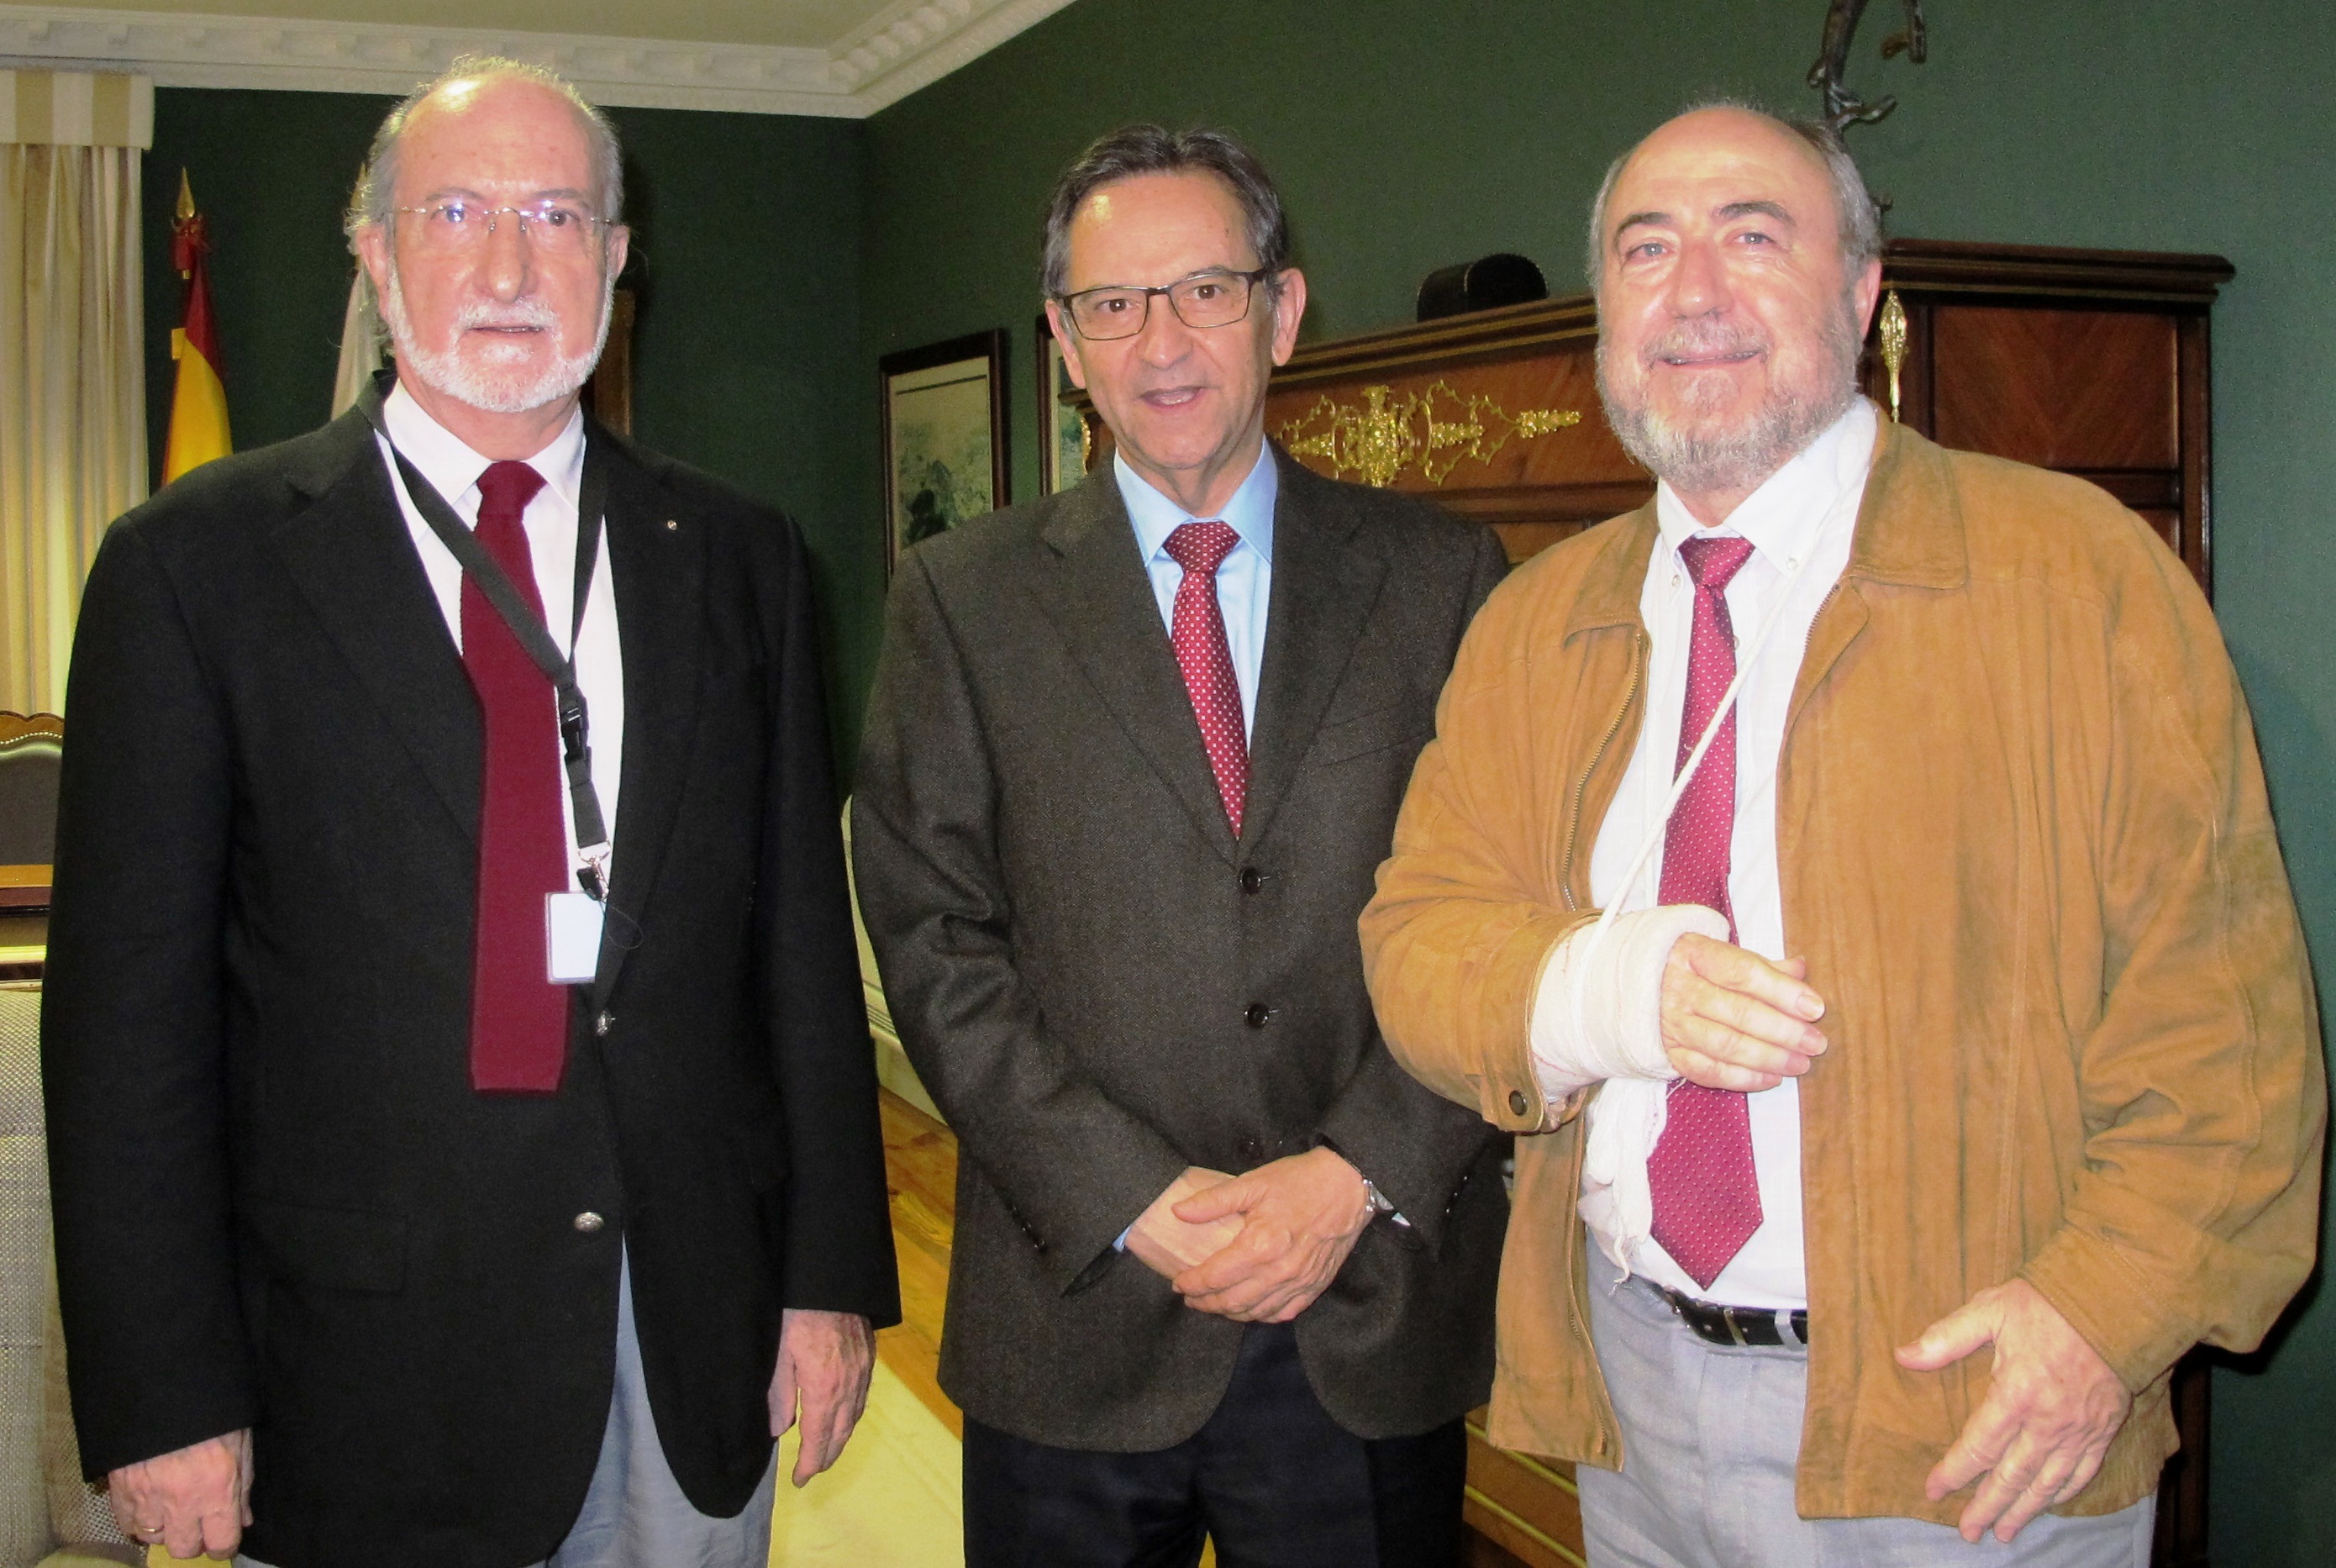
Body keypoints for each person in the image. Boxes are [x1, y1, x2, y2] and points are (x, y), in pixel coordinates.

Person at [1359, 103, 2324, 1566]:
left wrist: (2101, 1317)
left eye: (1753, 235)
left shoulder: (2080, 579)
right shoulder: (1533, 624)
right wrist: (1610, 990)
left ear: (1865, 293)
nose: (1694, 290)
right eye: (1646, 250)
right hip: (1629, 1400)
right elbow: (1418, 940)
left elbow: (2232, 1048)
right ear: (1607, 317)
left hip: (1969, 1431)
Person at [43, 56, 897, 1568]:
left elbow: (800, 959)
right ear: (374, 256)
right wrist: (163, 1392)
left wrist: (827, 1278)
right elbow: (125, 1031)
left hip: (683, 1324)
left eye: (556, 216)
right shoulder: (193, 568)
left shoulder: (740, 557)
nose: (509, 265)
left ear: (616, 260)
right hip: (360, 1364)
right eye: (455, 213)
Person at [850, 125, 1512, 1567]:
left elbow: (1500, 919)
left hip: (1362, 1306)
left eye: (1205, 290)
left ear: (1282, 310)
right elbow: (936, 942)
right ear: (1064, 344)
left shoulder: (1443, 580)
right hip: (1076, 1313)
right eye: (1112, 304)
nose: (1161, 342)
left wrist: (1352, 1174)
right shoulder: (960, 603)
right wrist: (1134, 1198)